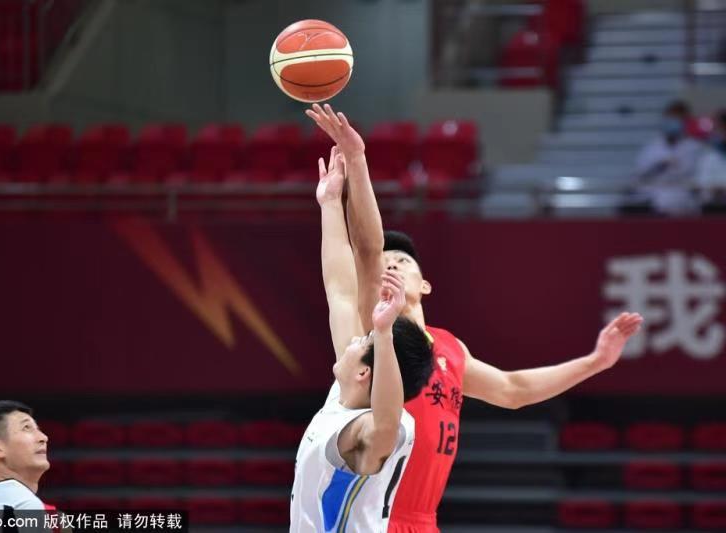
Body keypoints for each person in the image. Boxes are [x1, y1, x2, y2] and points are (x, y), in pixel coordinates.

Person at [307, 103, 644, 532]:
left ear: (425, 285)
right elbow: (361, 259)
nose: (391, 264)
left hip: (423, 521)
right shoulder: (370, 335)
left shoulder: (449, 348)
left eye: (403, 261)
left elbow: (514, 389)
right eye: (385, 263)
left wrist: (595, 362)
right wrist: (354, 169)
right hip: (374, 516)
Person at [289, 147, 433, 532]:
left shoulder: (371, 431)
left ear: (366, 371)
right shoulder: (346, 394)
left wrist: (382, 334)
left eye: (362, 341)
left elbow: (386, 421)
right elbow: (339, 289)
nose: (353, 340)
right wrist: (329, 204)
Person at [633, 99, 705, 215]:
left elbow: (696, 175)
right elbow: (640, 173)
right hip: (653, 196)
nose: (672, 123)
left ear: (684, 122)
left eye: (677, 120)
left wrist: (675, 167)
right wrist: (659, 167)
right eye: (670, 119)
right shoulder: (651, 147)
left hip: (683, 195)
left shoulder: (694, 147)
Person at [695, 109, 726, 208]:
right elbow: (702, 184)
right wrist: (715, 192)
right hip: (714, 207)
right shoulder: (708, 155)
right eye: (721, 127)